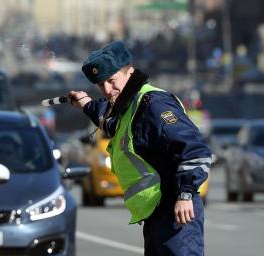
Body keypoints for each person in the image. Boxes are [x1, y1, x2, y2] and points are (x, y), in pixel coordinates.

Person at [68, 41, 212, 255]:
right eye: (100, 85)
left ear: (131, 73)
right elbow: (111, 121)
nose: (107, 90)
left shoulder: (154, 104)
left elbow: (194, 150)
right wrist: (86, 104)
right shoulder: (129, 106)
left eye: (111, 80)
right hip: (156, 212)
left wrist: (185, 195)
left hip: (176, 209)